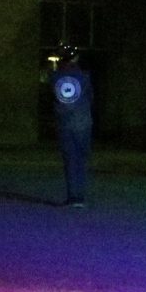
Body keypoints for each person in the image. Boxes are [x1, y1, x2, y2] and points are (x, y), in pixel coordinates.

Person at [51, 46, 94, 207]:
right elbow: (90, 98)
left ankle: (72, 196)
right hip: (83, 123)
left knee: (69, 160)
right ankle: (80, 197)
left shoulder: (55, 77)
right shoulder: (84, 77)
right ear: (75, 58)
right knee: (81, 161)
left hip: (65, 124)